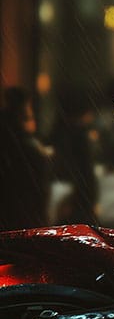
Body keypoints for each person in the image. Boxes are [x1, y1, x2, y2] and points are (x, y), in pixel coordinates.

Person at [0, 86, 54, 230]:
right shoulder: (28, 148)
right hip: (26, 212)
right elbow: (39, 190)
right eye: (30, 118)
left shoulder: (10, 138)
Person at [50, 88, 100, 225]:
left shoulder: (59, 132)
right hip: (77, 200)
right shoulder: (80, 136)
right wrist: (91, 200)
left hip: (62, 196)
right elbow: (86, 171)